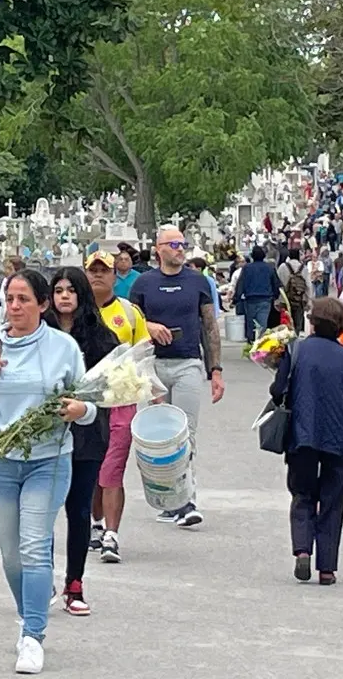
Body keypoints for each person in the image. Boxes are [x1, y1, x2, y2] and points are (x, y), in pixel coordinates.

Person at [0, 269, 95, 675]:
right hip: (1, 460)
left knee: (36, 545)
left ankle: (34, 636)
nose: (14, 307)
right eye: (9, 299)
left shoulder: (63, 347)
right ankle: (28, 613)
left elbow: (88, 404)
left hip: (48, 459)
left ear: (42, 304)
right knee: (11, 550)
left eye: (23, 299)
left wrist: (78, 410)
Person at [270, 297, 343, 585]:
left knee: (302, 494)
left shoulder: (295, 351)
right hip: (340, 440)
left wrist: (279, 372)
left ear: (312, 322)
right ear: (342, 327)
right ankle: (327, 568)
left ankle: (303, 550)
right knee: (333, 502)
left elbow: (277, 391)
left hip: (301, 436)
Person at [130, 226, 225, 528]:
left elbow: (210, 326)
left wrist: (216, 369)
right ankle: (168, 501)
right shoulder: (143, 283)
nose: (180, 249)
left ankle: (187, 500)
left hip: (188, 363)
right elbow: (131, 323)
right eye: (173, 244)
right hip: (154, 365)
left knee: (185, 433)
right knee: (159, 438)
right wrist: (150, 326)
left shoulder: (198, 282)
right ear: (158, 249)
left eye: (183, 244)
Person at [47, 267, 118, 617]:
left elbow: (113, 384)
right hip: (46, 433)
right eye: (58, 290)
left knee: (77, 511)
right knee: (41, 510)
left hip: (87, 434)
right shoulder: (38, 334)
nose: (64, 296)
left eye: (70, 290)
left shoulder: (101, 337)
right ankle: (41, 577)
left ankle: (74, 583)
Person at [84, 252, 149, 564]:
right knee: (91, 468)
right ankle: (94, 523)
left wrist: (155, 395)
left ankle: (112, 533)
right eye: (93, 270)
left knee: (112, 468)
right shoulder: (75, 312)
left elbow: (143, 356)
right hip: (85, 402)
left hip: (121, 401)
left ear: (115, 276)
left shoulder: (129, 312)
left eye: (104, 271)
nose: (98, 276)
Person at [235, 245, 281, 342]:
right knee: (263, 322)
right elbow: (276, 283)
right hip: (266, 299)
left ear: (252, 256)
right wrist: (275, 296)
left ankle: (251, 340)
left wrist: (237, 297)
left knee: (250, 321)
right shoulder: (269, 268)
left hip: (250, 298)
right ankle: (261, 342)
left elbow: (241, 283)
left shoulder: (247, 268)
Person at [277, 254, 310, 336]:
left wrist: (277, 300)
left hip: (285, 299)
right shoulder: (304, 268)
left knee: (285, 321)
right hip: (299, 299)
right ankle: (296, 338)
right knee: (297, 322)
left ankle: (286, 340)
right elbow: (308, 286)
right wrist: (308, 300)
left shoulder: (282, 267)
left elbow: (277, 283)